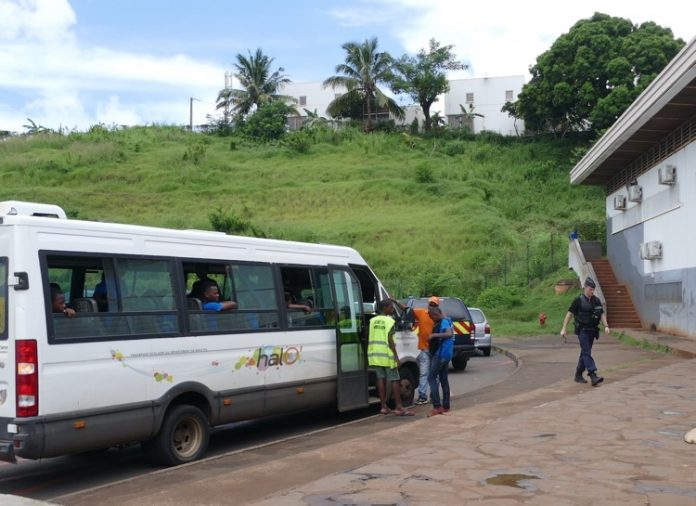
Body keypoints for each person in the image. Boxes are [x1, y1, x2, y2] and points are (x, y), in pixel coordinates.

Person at [367, 299, 414, 416]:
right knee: (395, 379)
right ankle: (399, 407)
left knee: (380, 379)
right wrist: (396, 357)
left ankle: (383, 407)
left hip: (375, 354)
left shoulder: (372, 321)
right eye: (391, 308)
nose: (392, 310)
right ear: (385, 308)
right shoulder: (389, 321)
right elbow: (390, 340)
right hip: (387, 355)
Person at [560, 276, 610, 386]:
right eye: (590, 289)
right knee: (587, 352)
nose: (592, 291)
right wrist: (564, 328)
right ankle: (593, 375)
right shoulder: (578, 300)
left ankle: (578, 374)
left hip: (592, 331)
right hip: (582, 331)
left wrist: (606, 325)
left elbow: (601, 313)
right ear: (585, 288)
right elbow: (569, 314)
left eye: (593, 289)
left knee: (584, 353)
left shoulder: (596, 300)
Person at [391, 295, 439, 406]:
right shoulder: (422, 313)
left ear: (437, 307)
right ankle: (422, 396)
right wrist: (396, 302)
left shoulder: (439, 318)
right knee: (424, 373)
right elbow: (408, 310)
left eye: (434, 305)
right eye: (430, 304)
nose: (431, 307)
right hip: (424, 349)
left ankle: (434, 395)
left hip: (436, 350)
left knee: (434, 374)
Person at [427, 306, 453, 416]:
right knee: (443, 379)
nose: (432, 320)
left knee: (431, 378)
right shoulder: (448, 319)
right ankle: (446, 406)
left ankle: (437, 406)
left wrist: (434, 335)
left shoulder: (444, 322)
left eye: (432, 318)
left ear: (436, 315)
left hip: (441, 354)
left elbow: (448, 334)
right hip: (447, 354)